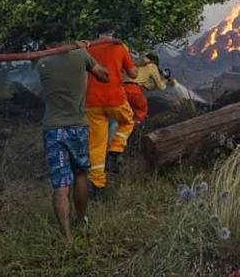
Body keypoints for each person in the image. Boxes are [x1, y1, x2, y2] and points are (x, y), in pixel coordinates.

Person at [36, 28, 110, 242]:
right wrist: (85, 52)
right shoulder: (80, 55)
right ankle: (82, 218)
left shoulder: (40, 61)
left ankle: (67, 238)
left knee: (61, 183)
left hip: (53, 130)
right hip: (78, 127)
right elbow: (105, 76)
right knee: (80, 175)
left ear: (45, 43)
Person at [84, 23, 138, 194]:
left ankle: (97, 184)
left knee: (97, 143)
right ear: (113, 31)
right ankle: (115, 149)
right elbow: (133, 74)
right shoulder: (119, 46)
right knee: (128, 121)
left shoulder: (87, 48)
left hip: (92, 102)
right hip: (115, 98)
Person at [123, 52, 169, 129]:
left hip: (121, 89)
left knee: (121, 113)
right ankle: (130, 130)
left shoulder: (135, 63)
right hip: (134, 91)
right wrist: (166, 81)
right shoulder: (152, 66)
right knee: (141, 111)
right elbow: (161, 86)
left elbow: (146, 85)